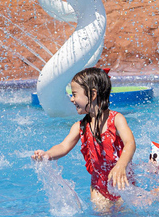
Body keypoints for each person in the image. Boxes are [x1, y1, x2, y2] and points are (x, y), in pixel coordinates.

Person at [32, 67, 136, 208]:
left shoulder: (116, 120)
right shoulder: (80, 126)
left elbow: (130, 143)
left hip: (122, 183)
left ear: (92, 95)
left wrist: (121, 165)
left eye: (74, 94)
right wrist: (47, 154)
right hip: (98, 188)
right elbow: (63, 146)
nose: (72, 99)